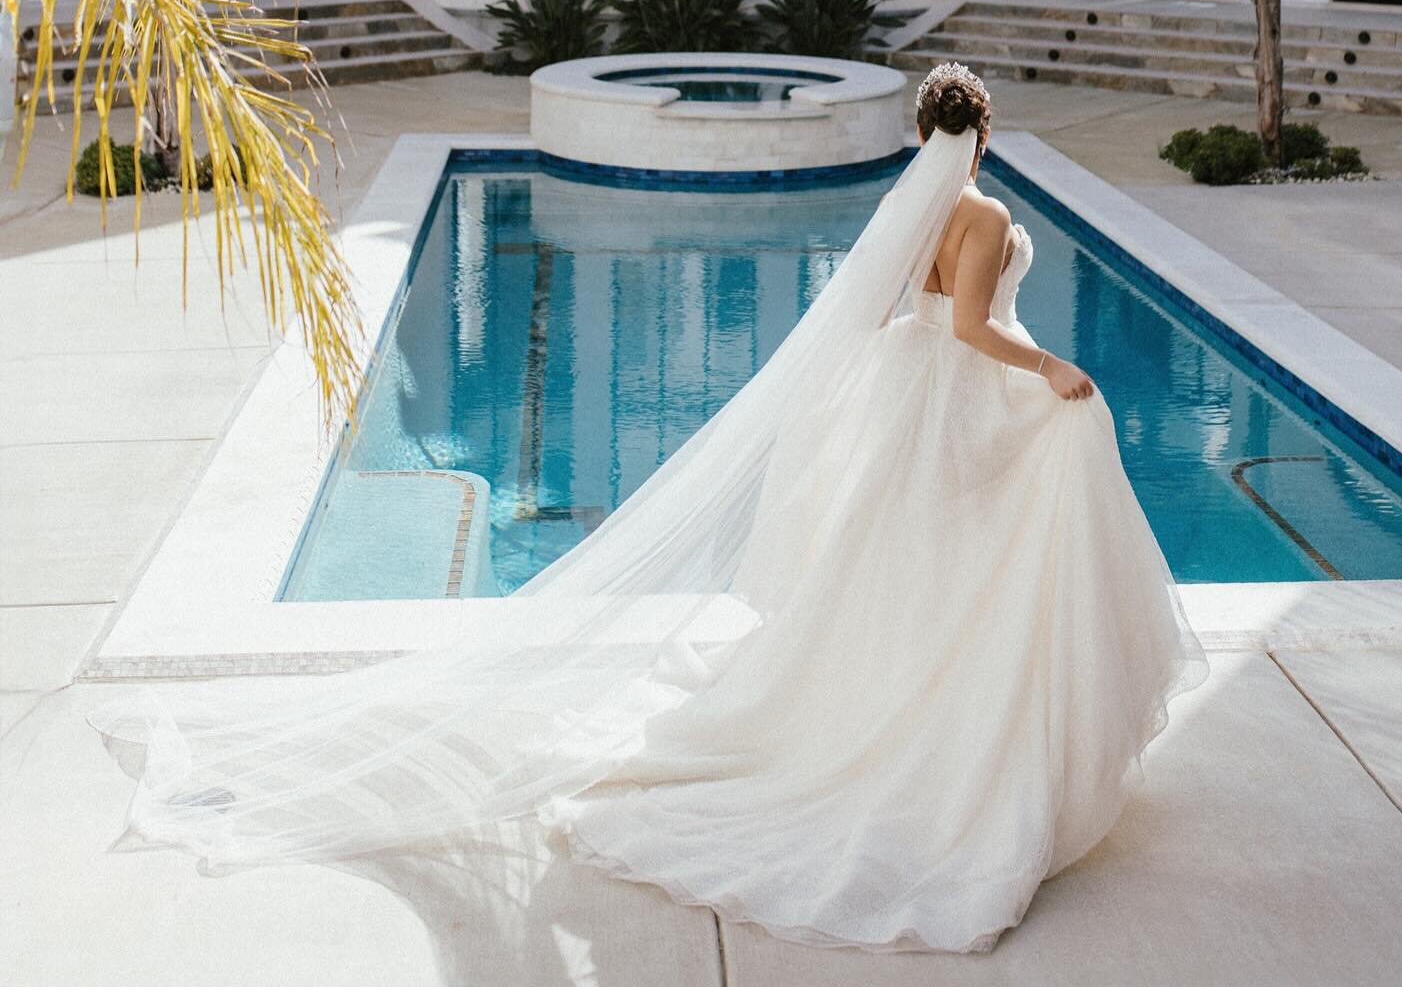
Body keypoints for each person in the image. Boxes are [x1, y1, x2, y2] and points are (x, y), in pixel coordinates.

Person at [89, 62, 1206, 954]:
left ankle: (895, 705)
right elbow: (969, 331)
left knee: (902, 578)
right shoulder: (980, 211)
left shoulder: (910, 207)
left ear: (921, 133)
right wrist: (1051, 365)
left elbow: (883, 324)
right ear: (984, 130)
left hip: (900, 405)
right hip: (954, 405)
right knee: (975, 561)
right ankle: (936, 739)